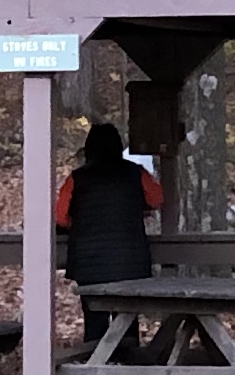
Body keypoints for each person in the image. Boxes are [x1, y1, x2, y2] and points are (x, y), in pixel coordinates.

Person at [55, 117, 163, 288]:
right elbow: (156, 199)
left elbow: (60, 217)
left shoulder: (76, 179)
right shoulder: (137, 173)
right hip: (131, 262)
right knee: (127, 312)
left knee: (94, 314)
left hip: (87, 264)